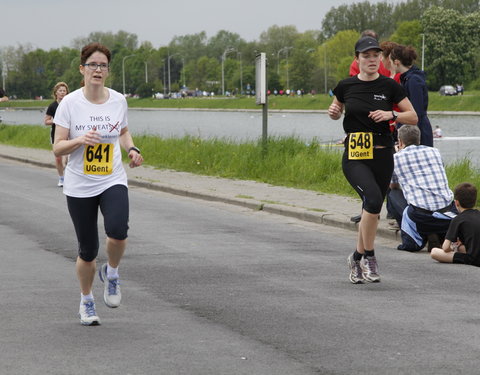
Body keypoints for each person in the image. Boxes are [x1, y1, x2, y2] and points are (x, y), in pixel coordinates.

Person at [53, 43, 144, 326]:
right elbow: (58, 148)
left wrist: (131, 149)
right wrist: (81, 140)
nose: (98, 70)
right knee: (88, 250)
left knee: (117, 232)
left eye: (102, 65)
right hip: (79, 184)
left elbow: (124, 130)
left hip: (112, 178)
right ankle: (87, 300)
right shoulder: (70, 103)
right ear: (82, 69)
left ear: (108, 71)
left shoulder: (118, 100)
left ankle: (113, 273)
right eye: (92, 64)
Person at [328, 36, 418, 284]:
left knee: (373, 210)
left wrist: (391, 114)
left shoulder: (390, 86)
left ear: (381, 58)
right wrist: (334, 113)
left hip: (382, 153)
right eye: (366, 56)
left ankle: (355, 259)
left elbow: (413, 117)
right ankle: (369, 255)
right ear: (357, 59)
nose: (371, 60)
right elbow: (336, 111)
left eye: (375, 55)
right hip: (356, 155)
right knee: (373, 198)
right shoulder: (345, 86)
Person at [389, 125, 456, 252]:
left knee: (393, 194)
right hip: (447, 213)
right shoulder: (434, 152)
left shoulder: (396, 158)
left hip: (420, 216)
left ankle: (418, 235)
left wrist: (398, 154)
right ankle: (438, 234)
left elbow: (393, 186)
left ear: (400, 141)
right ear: (418, 139)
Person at [390, 44, 433, 147]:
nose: (390, 65)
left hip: (418, 133)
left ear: (396, 62)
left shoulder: (413, 80)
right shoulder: (406, 79)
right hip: (411, 130)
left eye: (391, 62)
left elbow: (416, 111)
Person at [431, 182, 480, 266]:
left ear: (456, 203)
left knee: (434, 252)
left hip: (473, 259)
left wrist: (453, 248)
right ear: (475, 202)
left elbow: (445, 247)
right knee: (461, 248)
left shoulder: (457, 219)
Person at [44, 82, 69, 186]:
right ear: (56, 93)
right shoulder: (52, 106)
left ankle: (69, 176)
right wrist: (56, 121)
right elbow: (46, 121)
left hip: (68, 133)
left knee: (68, 158)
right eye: (60, 91)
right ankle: (61, 178)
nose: (62, 93)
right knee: (58, 158)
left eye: (64, 91)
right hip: (56, 133)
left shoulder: (69, 104)